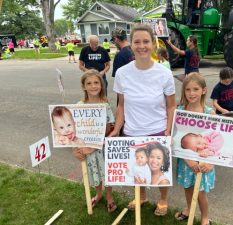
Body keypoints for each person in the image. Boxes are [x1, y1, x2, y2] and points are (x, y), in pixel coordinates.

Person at [109, 24, 176, 216]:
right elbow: (121, 105)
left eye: (146, 41)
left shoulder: (164, 73)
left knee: (160, 168)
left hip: (158, 130)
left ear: (153, 44)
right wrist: (117, 129)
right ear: (130, 44)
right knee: (137, 168)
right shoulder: (122, 73)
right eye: (137, 42)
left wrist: (168, 130)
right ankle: (142, 196)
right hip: (132, 131)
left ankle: (163, 199)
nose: (142, 46)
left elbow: (171, 106)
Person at [72, 69, 117, 212]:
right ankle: (98, 194)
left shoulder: (105, 105)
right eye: (89, 83)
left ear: (101, 85)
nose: (93, 86)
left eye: (96, 82)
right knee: (94, 173)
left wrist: (100, 137)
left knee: (107, 173)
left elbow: (111, 128)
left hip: (103, 148)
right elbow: (74, 131)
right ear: (83, 86)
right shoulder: (79, 106)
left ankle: (109, 197)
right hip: (87, 150)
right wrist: (76, 149)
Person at [175, 72, 215, 225]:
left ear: (204, 90)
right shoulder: (180, 110)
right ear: (183, 91)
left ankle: (205, 216)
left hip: (204, 161)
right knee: (188, 187)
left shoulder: (209, 113)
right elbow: (177, 138)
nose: (191, 93)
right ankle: (189, 209)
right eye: (188, 90)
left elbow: (215, 140)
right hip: (186, 161)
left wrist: (211, 163)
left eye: (196, 89)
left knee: (201, 192)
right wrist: (188, 159)